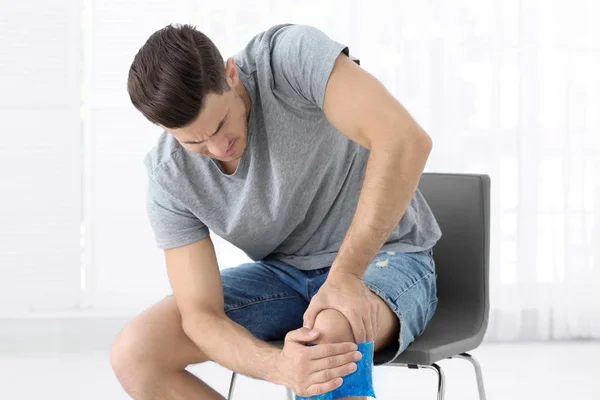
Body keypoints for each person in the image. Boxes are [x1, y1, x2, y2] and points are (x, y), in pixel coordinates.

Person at [110, 23, 441, 400]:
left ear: (230, 73)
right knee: (135, 352)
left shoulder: (287, 60)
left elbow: (405, 139)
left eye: (220, 124)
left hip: (387, 257)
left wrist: (345, 276)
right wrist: (277, 366)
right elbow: (201, 316)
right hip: (284, 277)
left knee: (328, 332)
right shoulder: (169, 176)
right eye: (195, 142)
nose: (218, 148)